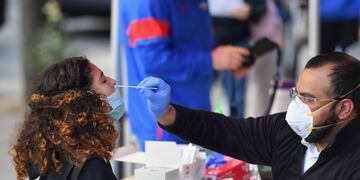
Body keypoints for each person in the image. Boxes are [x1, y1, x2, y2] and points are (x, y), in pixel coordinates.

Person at [138, 52, 360, 179]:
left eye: (308, 98)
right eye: (296, 94)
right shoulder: (288, 131)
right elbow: (228, 132)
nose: (297, 106)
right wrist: (168, 114)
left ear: (343, 108)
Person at [119, 0, 250, 150]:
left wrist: (228, 61)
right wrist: (211, 60)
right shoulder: (146, 3)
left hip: (197, 116)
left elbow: (198, 43)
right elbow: (152, 60)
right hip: (163, 124)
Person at [9, 57, 124, 180]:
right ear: (85, 100)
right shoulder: (91, 167)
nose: (113, 81)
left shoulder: (48, 158)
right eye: (103, 80)